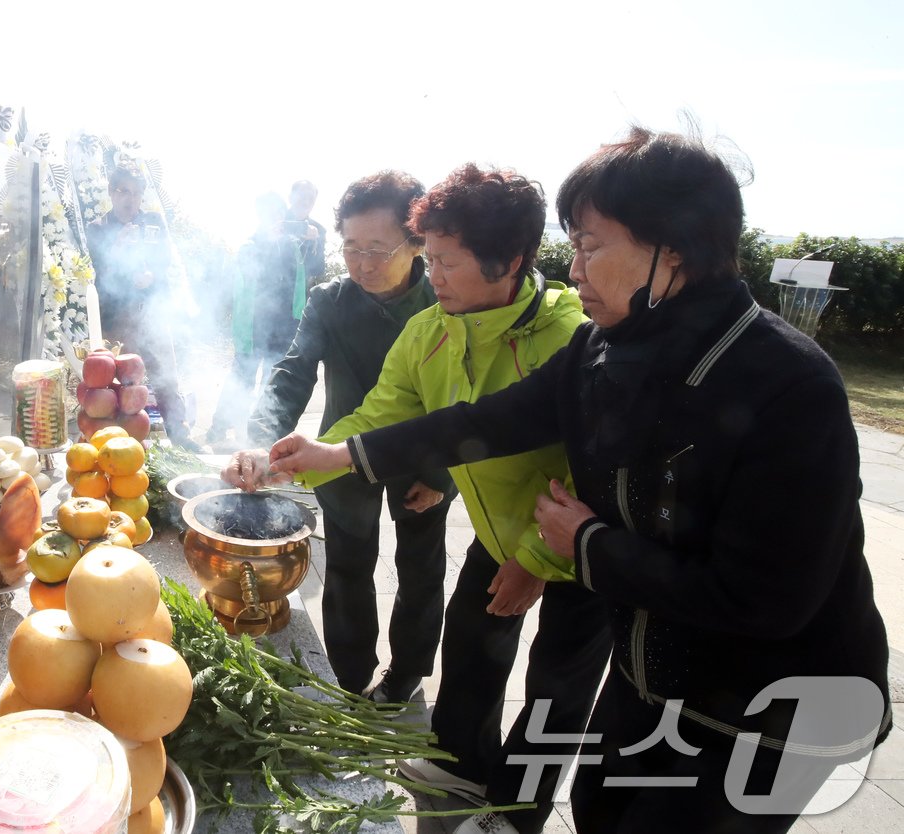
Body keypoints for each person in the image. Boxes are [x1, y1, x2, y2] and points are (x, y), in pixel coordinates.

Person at [267, 128, 892, 834]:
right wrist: (342, 454)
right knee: (598, 808)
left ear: (672, 247)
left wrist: (585, 544)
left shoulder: (788, 385)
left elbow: (766, 603)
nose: (575, 270)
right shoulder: (604, 348)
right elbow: (487, 421)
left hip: (771, 704)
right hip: (651, 669)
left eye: (591, 245)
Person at [229, 164, 607, 834]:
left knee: (556, 685)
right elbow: (380, 413)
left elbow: (594, 464)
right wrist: (306, 460)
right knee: (470, 663)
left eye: (444, 261)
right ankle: (459, 785)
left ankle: (516, 815)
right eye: (427, 258)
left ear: (509, 260)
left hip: (574, 545)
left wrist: (536, 558)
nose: (430, 274)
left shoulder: (569, 338)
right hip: (497, 537)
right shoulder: (430, 327)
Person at [224, 171, 456, 701]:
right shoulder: (330, 301)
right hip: (340, 455)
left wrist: (442, 475)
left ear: (416, 240)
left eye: (380, 248)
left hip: (423, 456)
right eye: (351, 248)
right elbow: (293, 370)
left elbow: (462, 397)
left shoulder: (444, 301)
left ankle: (408, 673)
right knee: (349, 568)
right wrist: (262, 440)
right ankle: (349, 678)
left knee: (420, 567)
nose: (364, 265)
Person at [84, 163, 193, 446]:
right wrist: (116, 250)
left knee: (166, 374)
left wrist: (151, 276)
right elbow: (95, 272)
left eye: (136, 193)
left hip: (152, 312)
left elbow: (164, 260)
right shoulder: (97, 228)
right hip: (117, 319)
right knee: (121, 384)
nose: (130, 199)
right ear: (111, 192)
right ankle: (120, 443)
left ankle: (181, 436)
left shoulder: (154, 222)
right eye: (123, 192)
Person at [208, 193, 309, 447]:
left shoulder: (293, 245)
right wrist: (266, 244)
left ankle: (262, 436)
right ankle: (218, 428)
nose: (273, 218)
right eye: (268, 213)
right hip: (255, 327)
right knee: (241, 376)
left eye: (277, 213)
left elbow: (309, 273)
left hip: (284, 325)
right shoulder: (251, 245)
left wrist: (313, 241)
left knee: (272, 382)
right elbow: (243, 272)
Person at [286, 179, 327, 289]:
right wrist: (296, 229)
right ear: (290, 197)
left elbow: (318, 270)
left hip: (300, 296)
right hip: (268, 293)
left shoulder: (319, 230)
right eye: (302, 196)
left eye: (311, 198)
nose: (306, 202)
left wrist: (315, 243)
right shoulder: (276, 219)